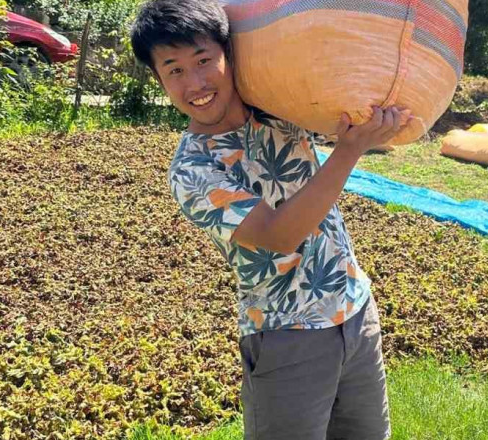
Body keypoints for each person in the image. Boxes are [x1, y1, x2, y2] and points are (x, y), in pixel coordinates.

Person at [130, 1, 410, 438]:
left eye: (204, 61)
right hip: (287, 335)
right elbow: (280, 235)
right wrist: (351, 150)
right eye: (175, 70)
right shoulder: (194, 170)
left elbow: (330, 93)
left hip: (354, 308)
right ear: (159, 80)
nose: (196, 83)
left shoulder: (278, 107)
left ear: (229, 54)